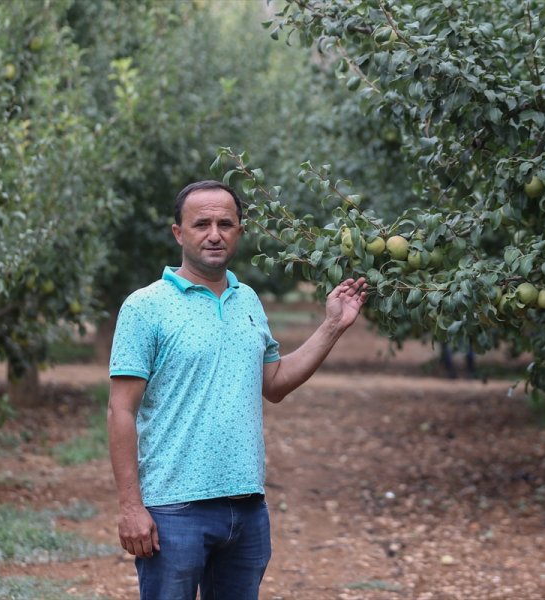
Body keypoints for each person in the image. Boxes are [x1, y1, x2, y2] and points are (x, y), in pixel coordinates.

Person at [107, 180, 367, 600]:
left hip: (247, 508)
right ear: (179, 233)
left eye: (226, 223)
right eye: (201, 224)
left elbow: (275, 384)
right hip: (174, 508)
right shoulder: (144, 307)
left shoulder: (248, 301)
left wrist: (333, 325)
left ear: (240, 232)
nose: (214, 234)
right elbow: (121, 410)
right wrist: (130, 507)